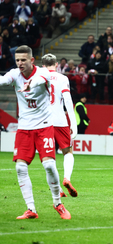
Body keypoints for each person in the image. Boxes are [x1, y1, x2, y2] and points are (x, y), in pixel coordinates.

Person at [0, 46, 71, 219]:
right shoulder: (15, 73)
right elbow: (3, 80)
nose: (20, 63)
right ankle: (31, 209)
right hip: (24, 128)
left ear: (32, 60)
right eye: (17, 60)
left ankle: (58, 204)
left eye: (23, 60)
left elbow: (38, 80)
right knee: (20, 167)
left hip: (44, 125)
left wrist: (28, 85)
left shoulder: (43, 73)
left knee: (48, 164)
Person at [41, 53, 78, 198]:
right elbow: (67, 100)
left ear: (43, 65)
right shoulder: (63, 78)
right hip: (60, 121)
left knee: (49, 159)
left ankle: (58, 191)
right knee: (67, 152)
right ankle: (67, 178)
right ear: (57, 65)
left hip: (43, 122)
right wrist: (73, 122)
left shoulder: (39, 77)